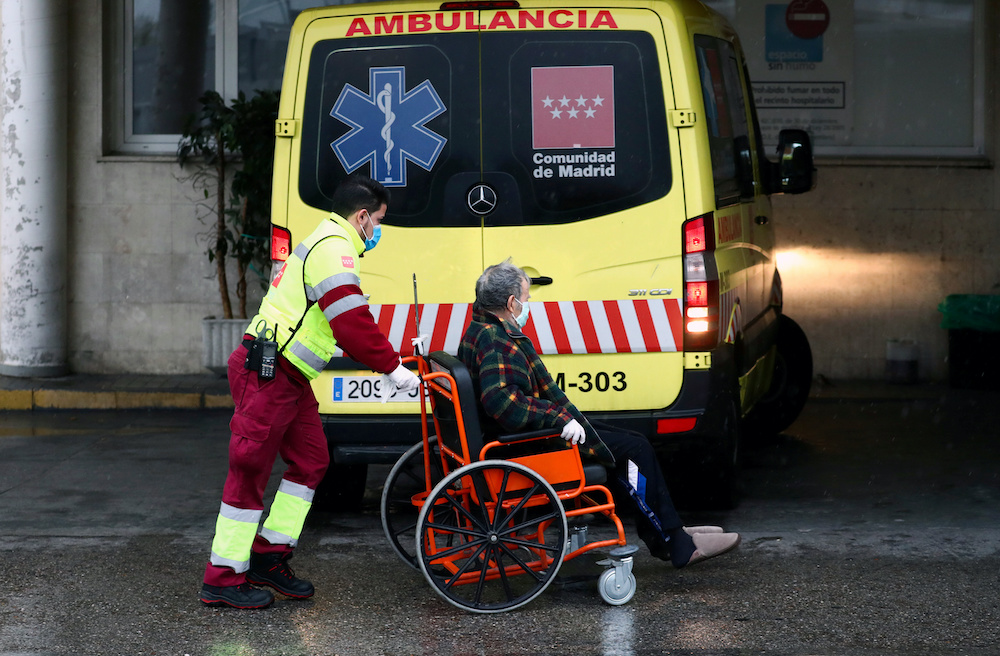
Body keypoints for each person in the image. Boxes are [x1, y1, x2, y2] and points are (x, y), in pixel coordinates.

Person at [199, 174, 421, 609]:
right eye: (378, 220)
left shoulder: (328, 243)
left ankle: (268, 556)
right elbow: (352, 323)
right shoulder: (335, 249)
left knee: (312, 460)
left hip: (288, 375)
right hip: (269, 372)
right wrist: (393, 367)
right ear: (361, 217)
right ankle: (223, 578)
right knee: (249, 472)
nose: (377, 230)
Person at [458, 259, 740, 569]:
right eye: (526, 299)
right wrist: (558, 417)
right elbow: (502, 401)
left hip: (515, 438)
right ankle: (676, 543)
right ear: (511, 303)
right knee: (635, 450)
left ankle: (669, 529)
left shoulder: (480, 329)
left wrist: (560, 416)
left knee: (630, 439)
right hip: (525, 445)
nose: (528, 305)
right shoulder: (495, 340)